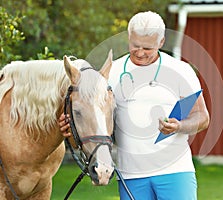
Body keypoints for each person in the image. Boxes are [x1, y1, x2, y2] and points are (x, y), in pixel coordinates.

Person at [59, 11, 209, 200]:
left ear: (161, 42)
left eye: (147, 48)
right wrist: (70, 131)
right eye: (135, 45)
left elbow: (202, 117)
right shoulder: (110, 73)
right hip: (131, 176)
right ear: (129, 37)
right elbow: (94, 121)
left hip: (175, 172)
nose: (140, 52)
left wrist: (179, 126)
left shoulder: (180, 71)